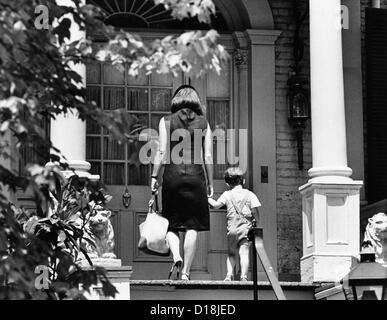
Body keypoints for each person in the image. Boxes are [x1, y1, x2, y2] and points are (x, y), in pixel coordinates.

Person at [151, 85, 214, 281]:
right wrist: (210, 182)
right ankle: (186, 272)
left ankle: (176, 256)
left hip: (172, 177)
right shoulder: (204, 123)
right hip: (196, 178)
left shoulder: (166, 121)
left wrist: (155, 177)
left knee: (170, 224)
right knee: (192, 226)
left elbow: (161, 152)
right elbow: (209, 156)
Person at [208, 167, 261, 281]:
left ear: (227, 183)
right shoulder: (250, 194)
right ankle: (243, 276)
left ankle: (228, 275)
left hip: (232, 229)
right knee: (244, 253)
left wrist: (207, 197)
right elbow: (255, 211)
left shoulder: (227, 194)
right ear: (243, 180)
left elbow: (216, 205)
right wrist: (257, 222)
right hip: (246, 228)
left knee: (232, 254)